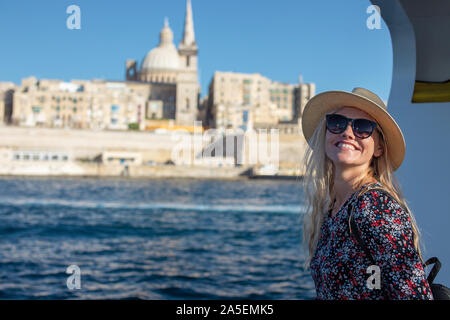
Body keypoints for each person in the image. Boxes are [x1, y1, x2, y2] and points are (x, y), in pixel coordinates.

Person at [300, 87, 433, 300]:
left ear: (379, 148)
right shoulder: (334, 207)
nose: (348, 132)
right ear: (325, 133)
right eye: (337, 123)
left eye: (363, 127)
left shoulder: (374, 206)